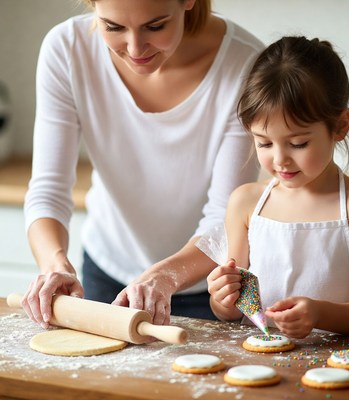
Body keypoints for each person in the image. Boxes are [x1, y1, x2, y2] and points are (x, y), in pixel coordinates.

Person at [22, 0, 265, 329]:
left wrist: (164, 275)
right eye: (113, 27)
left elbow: (227, 217)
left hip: (211, 286)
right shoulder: (67, 49)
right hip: (107, 269)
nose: (135, 48)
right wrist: (54, 264)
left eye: (155, 26)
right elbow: (48, 189)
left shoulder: (246, 64)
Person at [207, 36, 349, 339]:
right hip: (258, 367)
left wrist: (320, 313)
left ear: (341, 126)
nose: (280, 159)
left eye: (298, 143)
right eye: (264, 142)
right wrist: (221, 299)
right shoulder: (245, 203)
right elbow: (232, 310)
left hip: (336, 369)